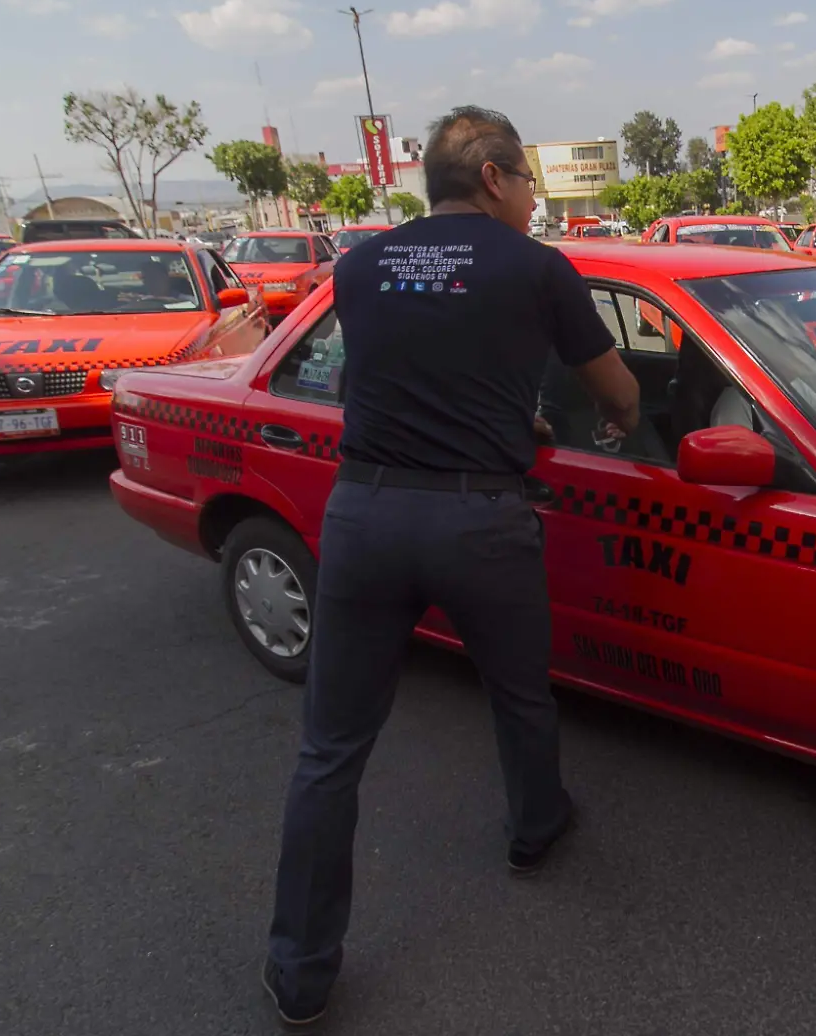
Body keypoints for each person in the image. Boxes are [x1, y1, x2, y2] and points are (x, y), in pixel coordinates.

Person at [262, 105, 640, 1028]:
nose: (533, 203)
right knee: (518, 696)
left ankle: (301, 969)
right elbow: (620, 392)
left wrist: (503, 420)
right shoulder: (541, 267)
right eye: (529, 185)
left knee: (329, 750)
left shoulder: (357, 266)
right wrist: (604, 425)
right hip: (479, 519)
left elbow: (387, 382)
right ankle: (533, 830)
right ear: (496, 178)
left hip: (366, 514)